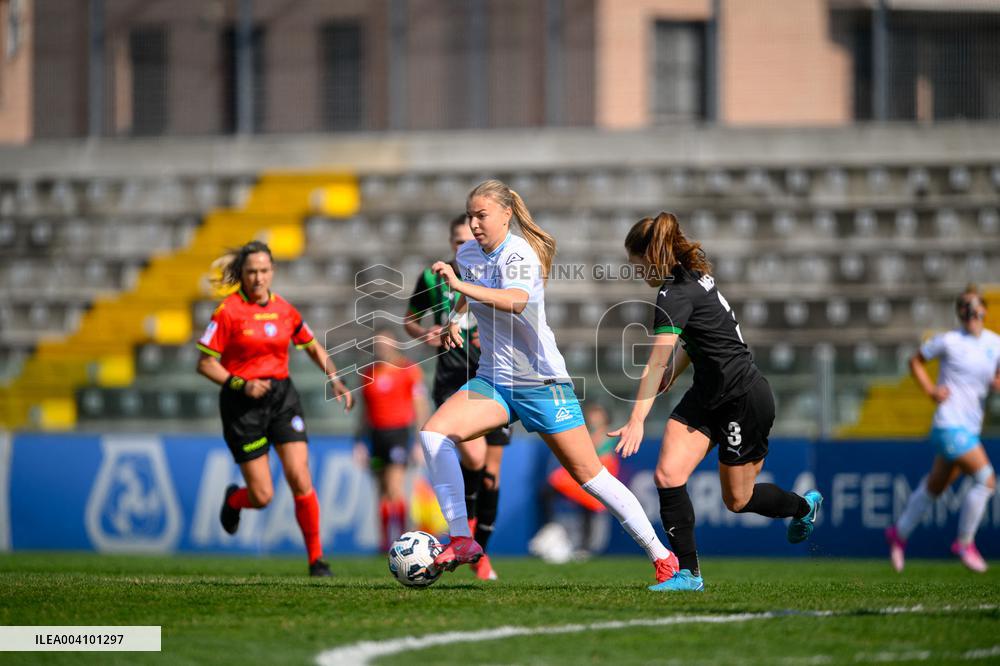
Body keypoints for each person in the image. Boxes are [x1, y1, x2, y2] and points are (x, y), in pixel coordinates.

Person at [420, 179, 679, 585]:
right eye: (470, 215)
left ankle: (663, 557)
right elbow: (474, 293)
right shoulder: (468, 253)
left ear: (506, 214)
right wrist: (454, 317)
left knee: (590, 477)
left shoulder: (519, 252)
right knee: (434, 435)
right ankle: (461, 538)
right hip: (495, 381)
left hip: (541, 384)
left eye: (481, 215)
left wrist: (457, 285)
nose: (473, 224)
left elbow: (515, 300)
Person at [611, 212, 822, 592]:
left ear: (651, 256)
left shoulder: (674, 292)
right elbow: (700, 340)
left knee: (738, 500)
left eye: (636, 264)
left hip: (743, 398)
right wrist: (674, 375)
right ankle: (688, 575)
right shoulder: (691, 280)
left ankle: (803, 507)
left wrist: (638, 417)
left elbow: (656, 357)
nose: (636, 272)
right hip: (708, 394)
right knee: (668, 475)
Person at [195, 240, 353, 577]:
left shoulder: (285, 310)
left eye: (264, 271)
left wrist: (335, 378)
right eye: (251, 271)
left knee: (300, 475)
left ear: (272, 272)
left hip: (281, 397)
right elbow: (206, 364)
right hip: (242, 404)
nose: (257, 278)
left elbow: (311, 345)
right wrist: (241, 383)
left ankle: (316, 560)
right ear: (242, 274)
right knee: (263, 495)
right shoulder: (228, 312)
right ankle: (235, 500)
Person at [404, 214, 511, 580]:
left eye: (468, 240)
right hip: (453, 380)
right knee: (474, 457)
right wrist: (426, 334)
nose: (462, 246)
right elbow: (409, 320)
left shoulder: (495, 271)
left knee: (491, 474)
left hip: (498, 378)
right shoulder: (434, 277)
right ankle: (465, 540)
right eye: (456, 241)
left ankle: (480, 555)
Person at [886, 285, 999, 573]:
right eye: (963, 305)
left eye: (973, 305)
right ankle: (964, 542)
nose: (969, 310)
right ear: (959, 312)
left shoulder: (994, 344)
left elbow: (994, 378)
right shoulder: (949, 341)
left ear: (984, 309)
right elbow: (915, 360)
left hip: (969, 427)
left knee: (935, 486)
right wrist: (931, 390)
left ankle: (899, 534)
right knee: (986, 480)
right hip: (949, 424)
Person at [354, 329, 429, 551]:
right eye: (378, 344)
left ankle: (405, 537)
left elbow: (420, 406)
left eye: (386, 343)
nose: (382, 348)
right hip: (376, 436)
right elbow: (364, 413)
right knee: (381, 491)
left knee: (395, 487)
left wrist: (419, 441)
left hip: (398, 433)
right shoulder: (369, 373)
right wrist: (359, 441)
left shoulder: (409, 371)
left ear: (395, 345)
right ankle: (384, 542)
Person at [530, 402, 621, 562]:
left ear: (605, 419)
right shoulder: (584, 433)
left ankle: (586, 547)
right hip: (580, 474)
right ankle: (551, 527)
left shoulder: (608, 437)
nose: (593, 418)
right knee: (549, 489)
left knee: (591, 502)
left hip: (598, 474)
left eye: (597, 415)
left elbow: (605, 460)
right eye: (592, 414)